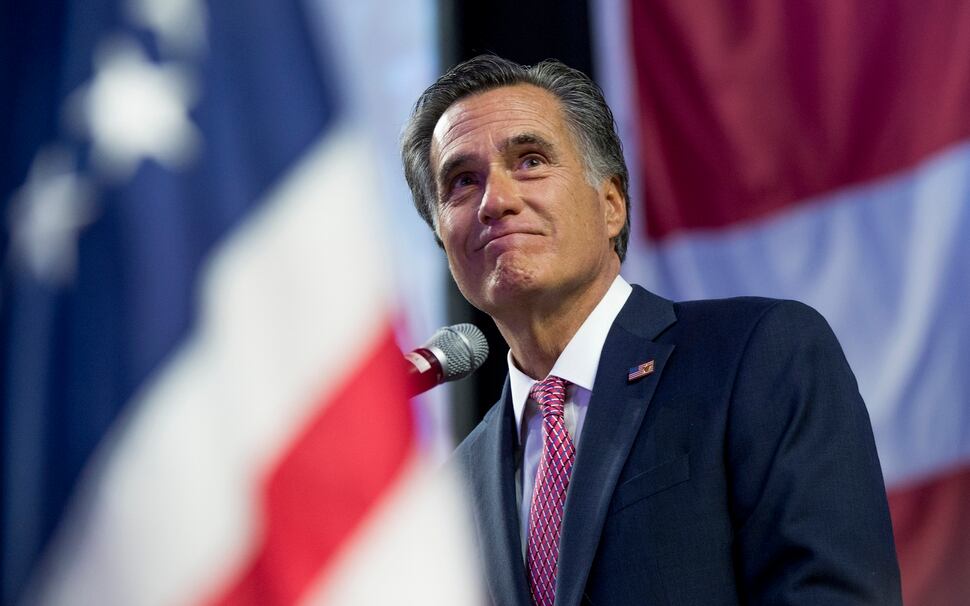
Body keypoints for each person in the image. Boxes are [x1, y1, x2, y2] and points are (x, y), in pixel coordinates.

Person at [401, 55, 902, 606]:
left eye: (530, 161)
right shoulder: (455, 489)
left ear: (610, 204)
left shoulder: (757, 354)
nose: (496, 201)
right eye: (462, 182)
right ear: (443, 242)